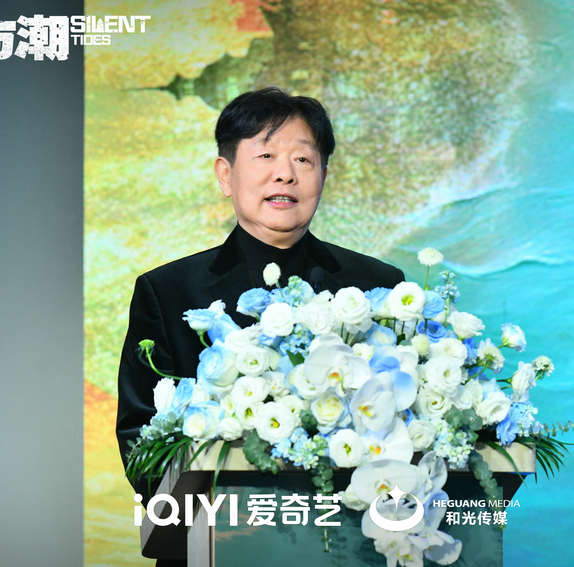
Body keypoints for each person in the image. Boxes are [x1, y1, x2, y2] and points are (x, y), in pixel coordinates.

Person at [115, 87, 405, 514]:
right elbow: (140, 443)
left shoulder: (377, 286)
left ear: (324, 176)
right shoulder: (169, 292)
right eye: (265, 156)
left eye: (303, 159)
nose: (285, 174)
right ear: (225, 175)